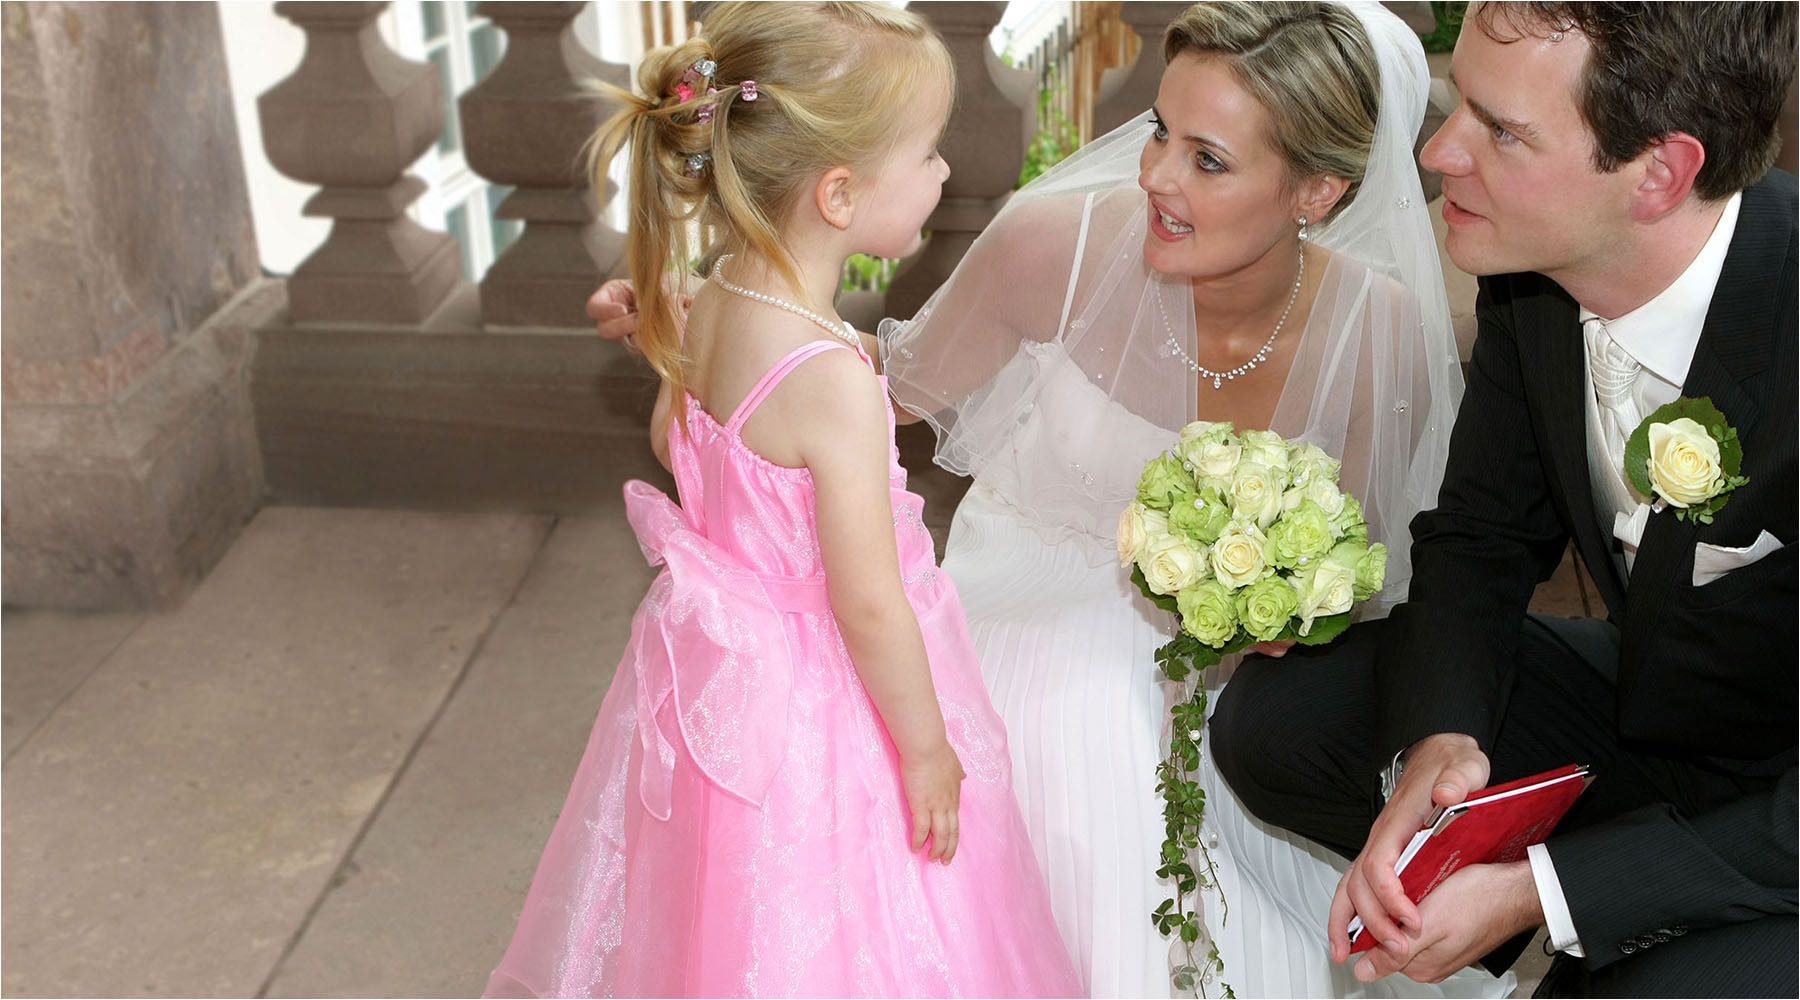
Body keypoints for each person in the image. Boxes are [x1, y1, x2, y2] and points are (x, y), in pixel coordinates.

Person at [485, 4, 1081, 996]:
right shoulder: (830, 379)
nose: (943, 172)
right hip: (826, 707)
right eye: (928, 153)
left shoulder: (714, 298)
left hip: (723, 689)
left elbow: (674, 445)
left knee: (720, 907)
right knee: (855, 924)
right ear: (839, 193)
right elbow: (869, 600)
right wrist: (926, 750)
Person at [1211, 2, 1797, 996]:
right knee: (1281, 717)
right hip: (1665, 712)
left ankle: (1651, 935)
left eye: (1501, 130)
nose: (1440, 151)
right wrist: (1434, 745)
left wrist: (1545, 889)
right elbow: (1481, 539)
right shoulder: (1534, 282)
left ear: (1662, 173)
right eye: (1455, 108)